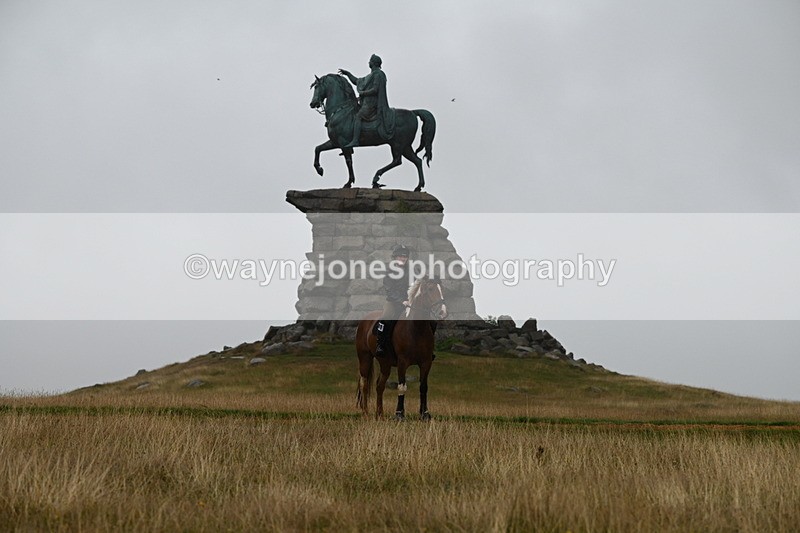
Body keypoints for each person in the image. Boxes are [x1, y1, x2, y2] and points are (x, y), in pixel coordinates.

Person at [338, 54, 395, 148]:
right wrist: (348, 74)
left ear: (374, 63)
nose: (369, 62)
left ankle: (355, 140)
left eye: (370, 61)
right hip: (366, 103)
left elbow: (375, 89)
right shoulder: (370, 76)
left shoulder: (378, 74)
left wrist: (363, 93)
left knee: (358, 116)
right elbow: (357, 81)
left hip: (372, 104)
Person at [375, 245, 411, 355]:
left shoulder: (412, 270)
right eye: (400, 256)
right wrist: (401, 301)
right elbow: (390, 290)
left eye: (404, 256)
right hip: (393, 302)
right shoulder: (389, 271)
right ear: (395, 257)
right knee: (386, 317)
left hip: (409, 301)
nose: (402, 258)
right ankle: (380, 344)